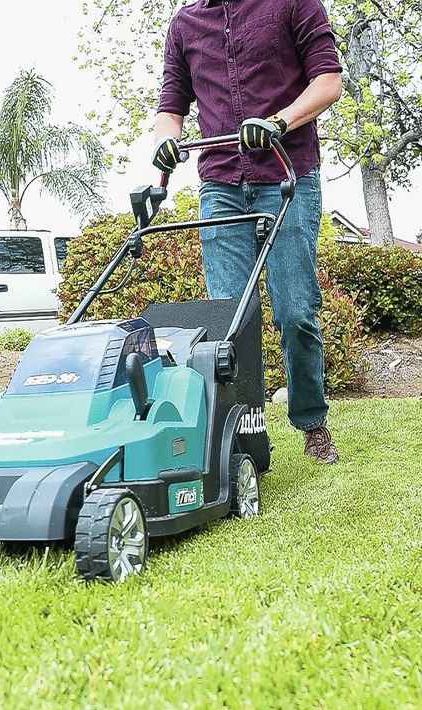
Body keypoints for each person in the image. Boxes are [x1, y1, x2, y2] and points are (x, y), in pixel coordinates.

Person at [152, 0, 343, 464]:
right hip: (221, 185)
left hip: (286, 175)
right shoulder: (185, 24)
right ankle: (244, 436)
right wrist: (165, 139)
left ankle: (313, 423)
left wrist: (279, 122)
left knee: (296, 310)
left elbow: (329, 82)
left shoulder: (294, 4)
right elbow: (170, 106)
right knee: (231, 323)